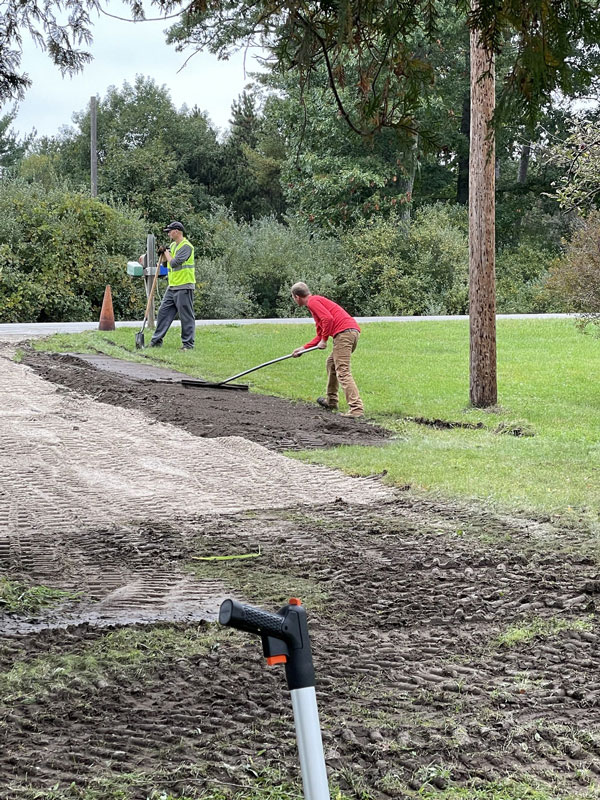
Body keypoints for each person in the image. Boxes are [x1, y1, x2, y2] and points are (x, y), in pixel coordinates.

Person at [291, 282, 364, 418]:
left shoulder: (313, 301)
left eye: (293, 298)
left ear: (297, 297)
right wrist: (303, 349)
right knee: (331, 364)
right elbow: (320, 334)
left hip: (344, 334)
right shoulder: (314, 304)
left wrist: (325, 340)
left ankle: (356, 409)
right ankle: (331, 402)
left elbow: (328, 319)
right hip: (349, 333)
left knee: (342, 371)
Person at [150, 221, 196, 351]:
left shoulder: (186, 247)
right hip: (172, 286)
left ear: (177, 231)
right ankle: (156, 341)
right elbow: (166, 264)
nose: (168, 233)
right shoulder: (173, 246)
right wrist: (162, 255)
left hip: (184, 286)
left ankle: (188, 345)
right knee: (163, 313)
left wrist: (167, 253)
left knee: (186, 316)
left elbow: (175, 263)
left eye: (170, 231)